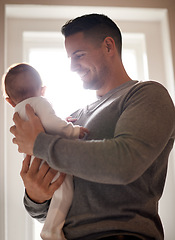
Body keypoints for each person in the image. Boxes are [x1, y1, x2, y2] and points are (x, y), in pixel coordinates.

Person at [10, 14, 175, 240]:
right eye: (69, 57)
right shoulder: (73, 119)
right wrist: (35, 196)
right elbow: (50, 210)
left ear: (108, 46)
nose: (72, 67)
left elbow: (124, 164)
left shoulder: (147, 95)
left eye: (78, 55)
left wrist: (39, 143)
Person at [2, 63, 88, 240]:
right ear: (43, 90)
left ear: (9, 100)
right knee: (65, 194)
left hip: (35, 163)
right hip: (51, 161)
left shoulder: (18, 112)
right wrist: (73, 130)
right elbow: (51, 124)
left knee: (58, 196)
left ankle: (51, 228)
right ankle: (51, 230)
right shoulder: (40, 102)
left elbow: (42, 129)